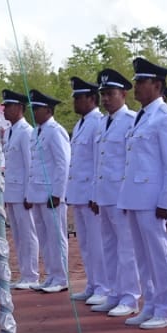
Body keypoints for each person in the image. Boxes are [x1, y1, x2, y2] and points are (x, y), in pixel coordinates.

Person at [116, 57, 167, 328]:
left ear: (157, 85)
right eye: (135, 82)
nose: (136, 87)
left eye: (141, 82)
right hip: (135, 197)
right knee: (143, 256)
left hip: (154, 200)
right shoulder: (141, 117)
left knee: (161, 255)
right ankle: (152, 304)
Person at [90, 68, 141, 315]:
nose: (105, 99)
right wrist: (94, 194)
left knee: (126, 248)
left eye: (110, 93)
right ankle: (113, 291)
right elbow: (97, 162)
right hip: (104, 194)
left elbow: (131, 161)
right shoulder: (101, 123)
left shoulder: (131, 120)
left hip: (121, 195)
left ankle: (130, 296)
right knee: (108, 246)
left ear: (123, 94)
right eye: (103, 94)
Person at [24, 90, 71, 293]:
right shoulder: (36, 131)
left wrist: (58, 193)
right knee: (44, 237)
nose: (33, 112)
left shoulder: (55, 130)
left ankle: (61, 277)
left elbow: (63, 163)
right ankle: (51, 275)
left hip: (52, 194)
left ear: (49, 110)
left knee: (56, 236)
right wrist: (29, 192)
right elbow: (33, 164)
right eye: (32, 109)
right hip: (37, 192)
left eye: (37, 108)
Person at [66, 76, 105, 302]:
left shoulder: (97, 122)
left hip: (91, 194)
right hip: (79, 193)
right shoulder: (81, 123)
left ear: (91, 99)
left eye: (79, 98)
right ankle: (92, 283)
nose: (75, 102)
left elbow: (98, 162)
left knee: (97, 243)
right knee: (86, 243)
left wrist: (94, 193)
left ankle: (103, 286)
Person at [2, 90, 39, 289]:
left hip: (23, 193)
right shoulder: (9, 131)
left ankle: (32, 274)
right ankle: (24, 273)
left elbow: (30, 164)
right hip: (12, 192)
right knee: (18, 235)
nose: (4, 109)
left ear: (19, 108)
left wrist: (28, 193)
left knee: (28, 234)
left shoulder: (26, 132)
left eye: (8, 106)